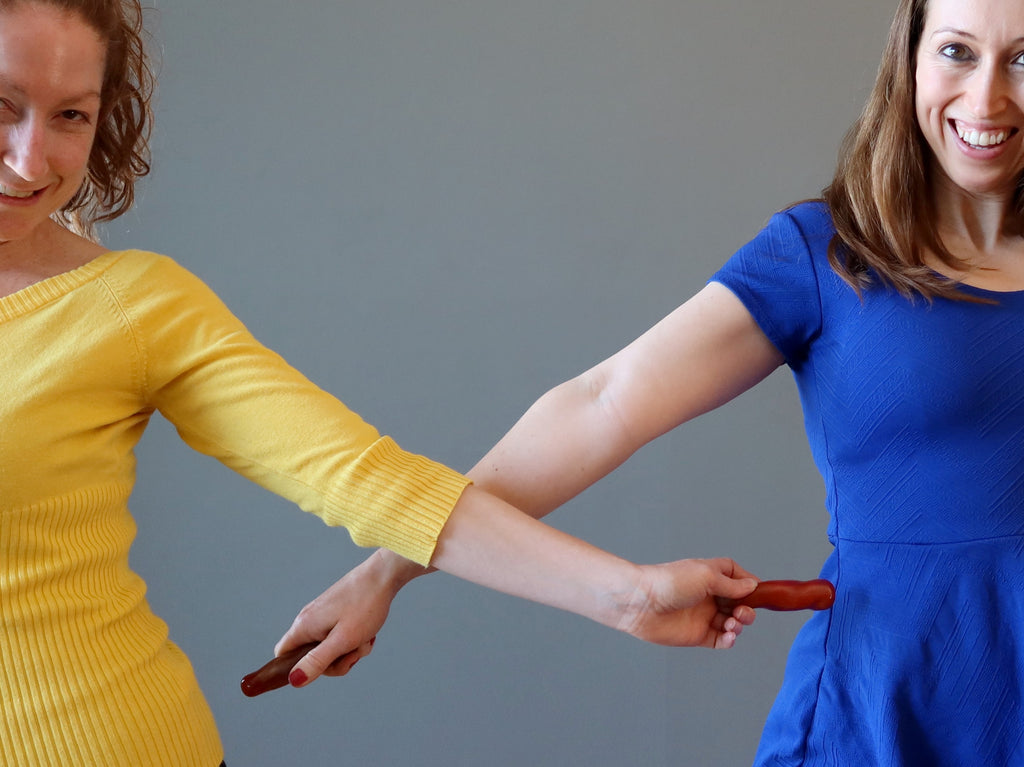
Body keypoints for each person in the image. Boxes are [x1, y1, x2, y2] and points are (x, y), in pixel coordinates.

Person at [0, 2, 762, 766]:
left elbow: (366, 478)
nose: (34, 160)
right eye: (3, 106)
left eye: (71, 115)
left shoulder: (130, 306)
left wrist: (625, 594)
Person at [279, 0, 1024, 763]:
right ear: (910, 60)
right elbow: (602, 404)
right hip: (884, 713)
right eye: (959, 52)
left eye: (1023, 59)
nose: (988, 98)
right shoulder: (828, 253)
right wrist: (386, 571)